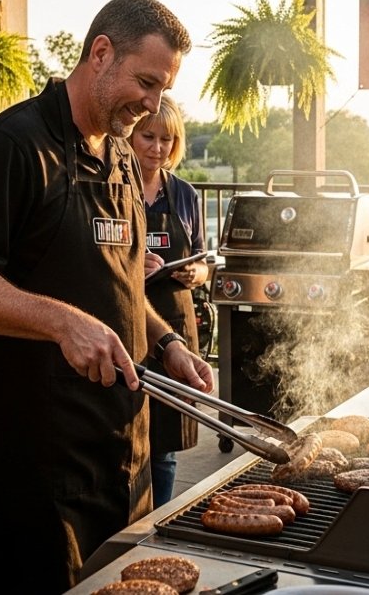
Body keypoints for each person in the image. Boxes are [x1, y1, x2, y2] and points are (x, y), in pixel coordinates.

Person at [0, 0, 213, 593]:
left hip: (124, 446)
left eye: (163, 90)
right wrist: (62, 322)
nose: (153, 104)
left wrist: (167, 343)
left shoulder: (122, 155)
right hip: (40, 458)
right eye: (146, 82)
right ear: (100, 53)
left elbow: (120, 281)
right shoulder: (12, 146)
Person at [130, 95, 209, 508]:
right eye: (148, 136)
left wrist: (197, 274)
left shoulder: (185, 195)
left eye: (167, 139)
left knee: (164, 447)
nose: (157, 147)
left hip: (176, 325)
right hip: (128, 323)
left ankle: (157, 520)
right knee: (128, 440)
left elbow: (203, 261)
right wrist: (131, 264)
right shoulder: (114, 188)